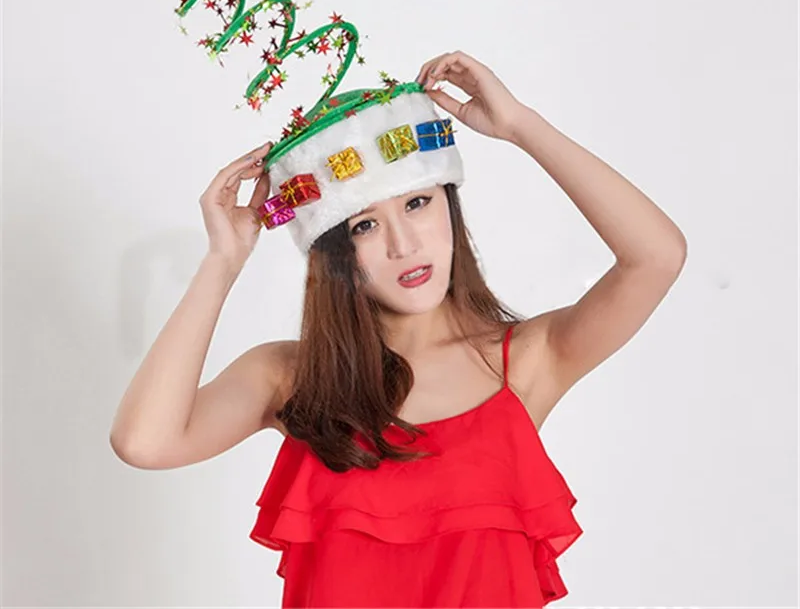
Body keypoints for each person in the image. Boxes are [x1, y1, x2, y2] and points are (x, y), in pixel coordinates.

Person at [110, 51, 687, 607]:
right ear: (333, 251)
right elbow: (145, 442)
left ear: (448, 204)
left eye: (417, 203)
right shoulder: (293, 377)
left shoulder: (525, 360)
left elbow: (657, 257)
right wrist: (223, 261)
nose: (403, 244)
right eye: (364, 225)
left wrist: (520, 125)